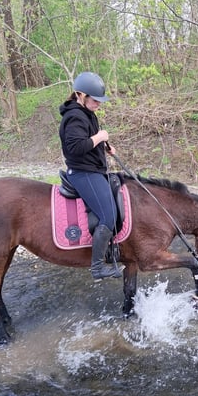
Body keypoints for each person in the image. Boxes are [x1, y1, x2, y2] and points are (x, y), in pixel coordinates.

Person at [59, 71, 124, 280]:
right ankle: (97, 268)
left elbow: (88, 140)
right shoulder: (74, 116)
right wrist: (99, 136)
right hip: (82, 172)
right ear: (80, 95)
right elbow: (76, 147)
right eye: (96, 100)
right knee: (109, 215)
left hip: (93, 168)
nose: (99, 104)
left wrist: (104, 146)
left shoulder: (87, 114)